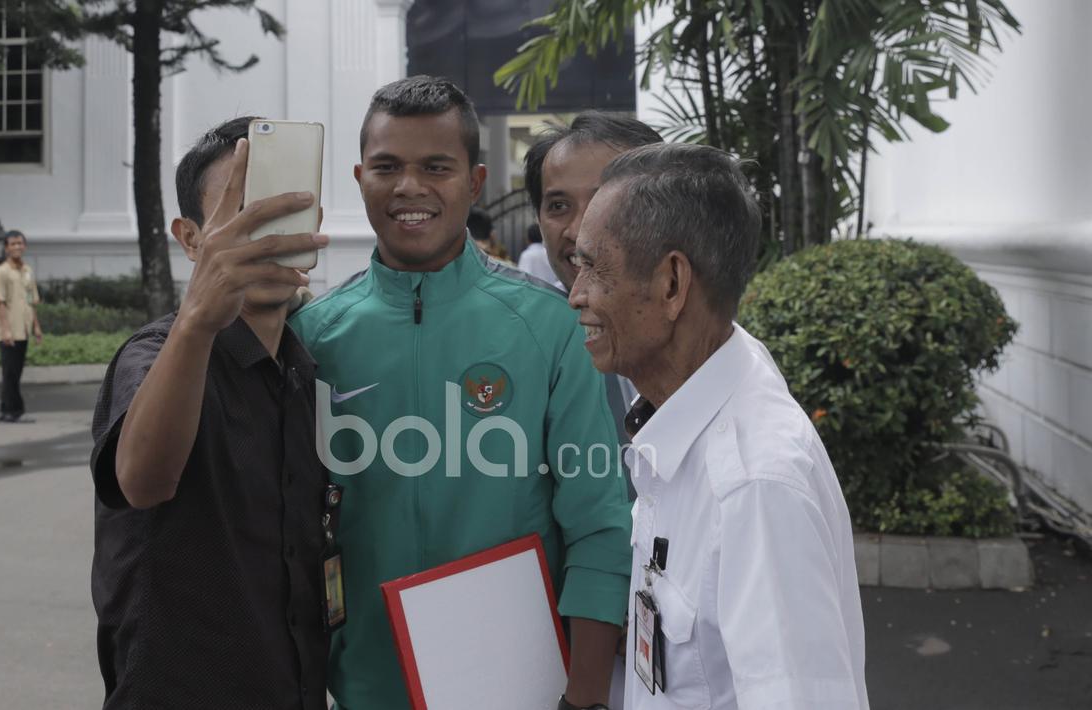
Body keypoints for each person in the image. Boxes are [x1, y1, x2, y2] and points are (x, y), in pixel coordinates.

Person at [290, 76, 631, 710]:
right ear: (359, 177)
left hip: (525, 692)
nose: (409, 187)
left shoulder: (550, 328)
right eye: (387, 167)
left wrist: (584, 699)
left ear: (473, 183)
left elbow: (598, 527)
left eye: (435, 167)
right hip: (363, 691)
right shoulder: (310, 337)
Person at [568, 142, 869, 709]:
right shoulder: (695, 399)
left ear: (672, 285)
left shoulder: (755, 487)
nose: (575, 293)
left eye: (592, 266)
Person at [89, 117, 332, 709]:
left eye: (281, 212)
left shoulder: (305, 371)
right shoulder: (156, 355)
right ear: (192, 238)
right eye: (241, 214)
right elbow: (143, 480)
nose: (264, 234)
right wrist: (199, 317)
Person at [524, 112, 663, 457]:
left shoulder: (705, 347)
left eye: (606, 202)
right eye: (558, 206)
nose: (580, 231)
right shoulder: (517, 344)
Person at [0, 229, 42, 422]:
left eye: (20, 243)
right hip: (9, 330)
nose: (17, 247)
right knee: (10, 372)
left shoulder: (27, 271)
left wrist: (36, 327)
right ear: (6, 248)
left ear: (24, 246)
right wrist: (5, 330)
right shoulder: (0, 272)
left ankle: (5, 410)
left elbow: (32, 300)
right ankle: (14, 410)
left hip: (24, 329)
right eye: (13, 244)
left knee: (14, 371)